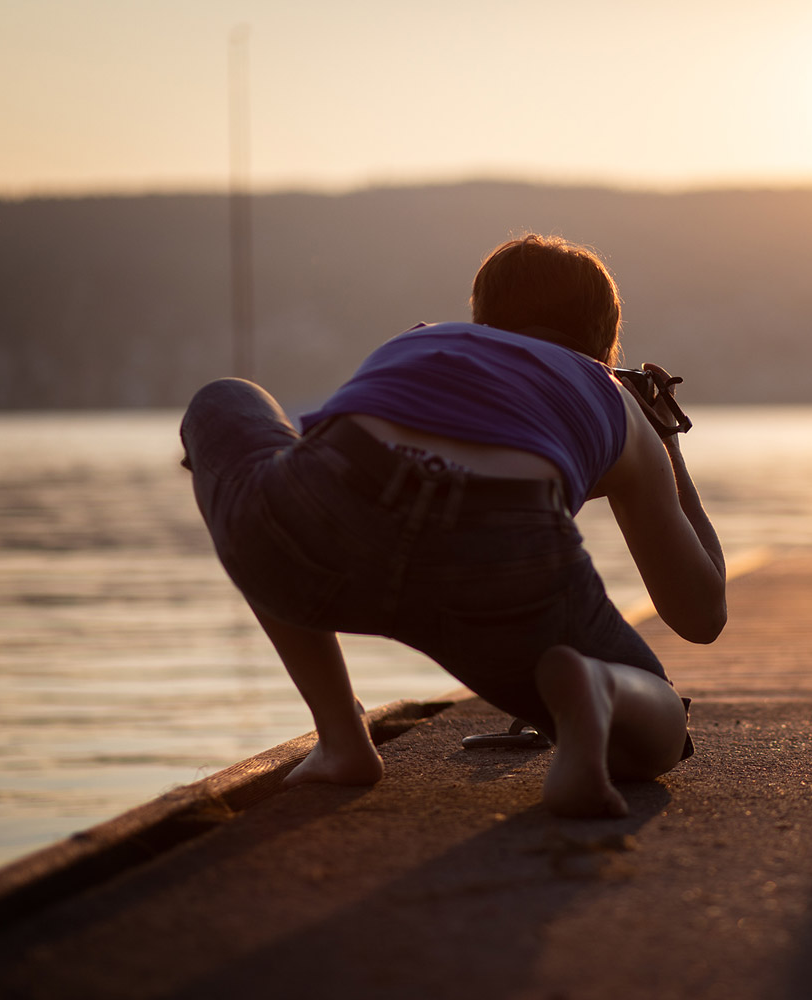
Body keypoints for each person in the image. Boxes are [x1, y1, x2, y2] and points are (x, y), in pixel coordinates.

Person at [179, 234, 725, 818]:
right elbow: (699, 612)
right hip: (496, 565)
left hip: (323, 529)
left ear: (481, 317)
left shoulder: (421, 341)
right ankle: (600, 689)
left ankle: (342, 739)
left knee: (226, 399)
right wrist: (664, 439)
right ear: (605, 341)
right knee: (660, 722)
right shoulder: (612, 401)